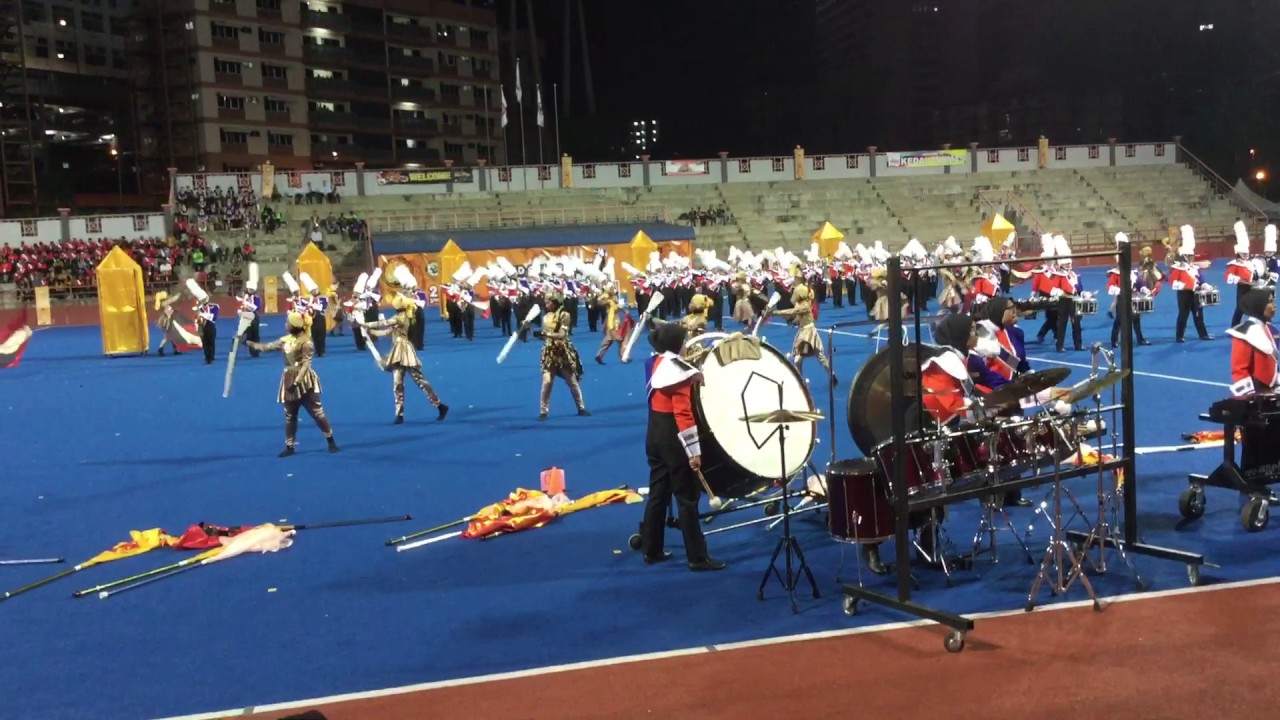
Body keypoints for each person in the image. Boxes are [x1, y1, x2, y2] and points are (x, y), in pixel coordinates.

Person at [640, 321, 726, 571]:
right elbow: (683, 414)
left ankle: (651, 548)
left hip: (654, 432)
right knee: (687, 497)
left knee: (658, 493)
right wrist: (694, 452)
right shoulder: (678, 372)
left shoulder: (654, 363)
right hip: (674, 438)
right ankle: (697, 557)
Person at [246, 311, 339, 457]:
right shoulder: (285, 340)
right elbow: (265, 347)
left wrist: (296, 383)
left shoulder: (306, 342)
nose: (285, 325)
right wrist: (247, 343)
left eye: (288, 322)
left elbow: (306, 364)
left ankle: (330, 440)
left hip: (305, 382)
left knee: (317, 412)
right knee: (290, 415)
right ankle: (290, 446)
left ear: (294, 325)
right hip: (289, 378)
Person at [360, 294, 449, 425]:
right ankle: (399, 413)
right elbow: (386, 332)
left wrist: (364, 324)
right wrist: (370, 332)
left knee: (419, 380)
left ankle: (439, 405)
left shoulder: (400, 318)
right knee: (399, 383)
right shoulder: (399, 318)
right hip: (398, 352)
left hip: (404, 351)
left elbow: (383, 323)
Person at [1227, 288, 1280, 485]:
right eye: (1270, 302)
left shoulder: (1271, 330)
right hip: (1256, 395)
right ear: (1259, 305)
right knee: (1256, 444)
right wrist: (1249, 400)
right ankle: (1252, 485)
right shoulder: (1244, 333)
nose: (1274, 305)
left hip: (1272, 391)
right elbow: (1239, 370)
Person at [531, 293, 589, 420]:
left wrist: (544, 333)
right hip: (549, 352)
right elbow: (544, 337)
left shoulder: (564, 315)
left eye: (548, 302)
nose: (546, 304)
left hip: (562, 352)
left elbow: (562, 334)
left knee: (572, 381)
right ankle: (543, 411)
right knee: (547, 381)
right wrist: (532, 331)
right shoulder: (545, 317)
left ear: (554, 302)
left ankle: (581, 407)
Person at [773, 284, 836, 383]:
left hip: (807, 332)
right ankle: (831, 374)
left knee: (799, 359)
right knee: (818, 356)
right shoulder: (801, 304)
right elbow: (798, 318)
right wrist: (792, 321)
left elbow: (792, 311)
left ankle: (800, 381)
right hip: (805, 330)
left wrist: (775, 313)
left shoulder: (805, 305)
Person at [1170, 225, 1214, 343]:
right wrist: (1187, 287)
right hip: (1184, 294)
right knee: (1183, 315)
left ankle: (1203, 334)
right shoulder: (1178, 268)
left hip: (1196, 294)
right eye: (1189, 256)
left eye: (1192, 256)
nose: (1192, 258)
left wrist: (1205, 285)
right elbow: (1173, 283)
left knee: (1199, 314)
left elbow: (1200, 280)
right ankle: (1179, 336)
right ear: (1184, 256)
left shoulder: (1195, 268)